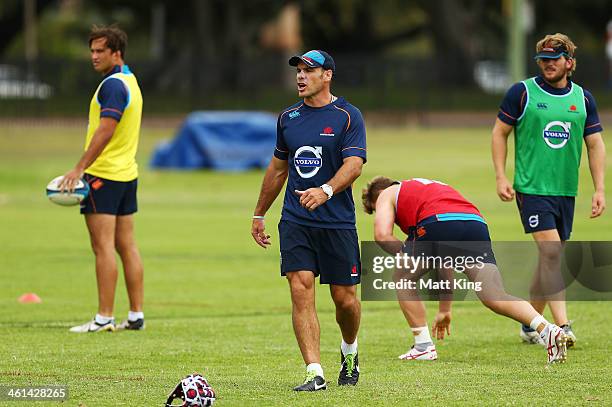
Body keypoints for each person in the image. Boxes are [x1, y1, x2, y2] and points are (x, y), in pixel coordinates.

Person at [251, 50, 366, 391]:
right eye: (298, 71)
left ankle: (349, 349)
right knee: (300, 288)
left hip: (338, 223)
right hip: (296, 220)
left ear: (327, 75)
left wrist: (327, 190)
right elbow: (277, 169)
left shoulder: (348, 116)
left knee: (345, 301)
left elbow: (355, 165)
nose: (300, 76)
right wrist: (259, 213)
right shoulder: (288, 118)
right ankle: (314, 372)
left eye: (309, 71)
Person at [362, 176, 569, 364]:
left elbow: (382, 235)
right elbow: (444, 260)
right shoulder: (428, 189)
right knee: (494, 296)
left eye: (374, 210)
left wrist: (406, 257)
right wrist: (445, 309)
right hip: (474, 222)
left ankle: (423, 346)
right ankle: (547, 329)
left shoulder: (386, 194)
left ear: (377, 197)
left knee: (402, 278)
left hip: (437, 223)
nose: (378, 213)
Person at [492, 33, 605, 347]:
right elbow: (499, 133)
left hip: (565, 191)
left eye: (554, 59)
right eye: (543, 60)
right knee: (553, 253)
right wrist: (501, 176)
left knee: (548, 260)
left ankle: (530, 324)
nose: (548, 65)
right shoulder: (522, 92)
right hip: (532, 188)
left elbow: (595, 144)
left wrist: (599, 189)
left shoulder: (583, 99)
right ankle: (562, 326)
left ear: (569, 62)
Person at [59, 25, 145, 333]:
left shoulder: (112, 85)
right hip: (127, 174)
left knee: (103, 247)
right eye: (92, 50)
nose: (93, 56)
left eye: (100, 51)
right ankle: (136, 315)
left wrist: (79, 168)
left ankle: (104, 317)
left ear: (116, 53)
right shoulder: (130, 81)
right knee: (127, 246)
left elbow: (106, 129)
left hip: (104, 176)